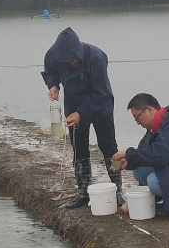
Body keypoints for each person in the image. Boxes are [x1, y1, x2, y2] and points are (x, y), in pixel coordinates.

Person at [41, 27, 124, 208]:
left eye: (72, 60)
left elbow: (101, 94)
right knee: (79, 149)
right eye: (66, 61)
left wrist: (82, 113)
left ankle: (118, 190)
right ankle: (83, 192)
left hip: (101, 104)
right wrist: (53, 85)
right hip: (73, 102)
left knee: (109, 146)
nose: (70, 63)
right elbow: (51, 71)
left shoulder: (96, 58)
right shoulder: (53, 55)